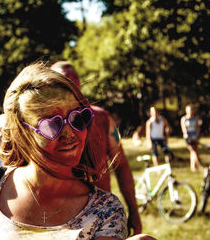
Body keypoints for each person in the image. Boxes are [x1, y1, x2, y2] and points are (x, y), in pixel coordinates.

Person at [0, 62, 155, 240]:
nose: (70, 134)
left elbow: (122, 166)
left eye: (78, 118)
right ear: (22, 132)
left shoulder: (106, 212)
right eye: (51, 125)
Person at [51, 61, 142, 235]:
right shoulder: (46, 127)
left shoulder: (101, 118)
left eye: (74, 79)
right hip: (61, 221)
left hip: (102, 218)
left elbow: (121, 165)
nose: (71, 85)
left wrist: (134, 212)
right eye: (64, 80)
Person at [180, 104, 204, 172]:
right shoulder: (184, 118)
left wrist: (197, 136)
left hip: (195, 136)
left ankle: (192, 167)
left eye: (192, 109)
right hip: (188, 137)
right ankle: (199, 166)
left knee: (193, 151)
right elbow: (184, 129)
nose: (191, 111)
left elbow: (198, 128)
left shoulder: (196, 118)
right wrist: (188, 136)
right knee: (193, 151)